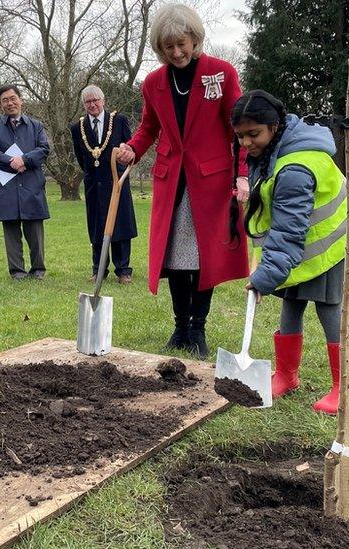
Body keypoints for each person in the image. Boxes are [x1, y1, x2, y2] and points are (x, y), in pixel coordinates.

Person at [114, 3, 249, 359]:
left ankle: (199, 329)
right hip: (171, 182)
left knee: (204, 256)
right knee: (175, 257)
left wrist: (243, 175)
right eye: (168, 47)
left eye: (182, 44)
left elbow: (240, 131)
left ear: (195, 39)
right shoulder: (154, 82)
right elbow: (149, 128)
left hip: (211, 183)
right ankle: (180, 328)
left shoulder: (221, 73)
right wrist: (132, 148)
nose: (176, 52)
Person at [233, 90, 349, 415]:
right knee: (292, 303)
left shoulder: (296, 167)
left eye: (254, 134)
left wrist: (265, 277)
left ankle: (343, 387)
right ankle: (286, 375)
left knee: (329, 310)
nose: (247, 143)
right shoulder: (271, 152)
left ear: (275, 126)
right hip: (299, 249)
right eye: (240, 136)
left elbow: (289, 230)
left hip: (333, 245)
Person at [70, 85, 137, 284]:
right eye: (88, 102)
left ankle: (123, 270)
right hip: (94, 185)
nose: (92, 105)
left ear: (103, 100)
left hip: (117, 182)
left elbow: (132, 149)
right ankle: (98, 269)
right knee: (97, 226)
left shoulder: (119, 121)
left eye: (95, 100)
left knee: (121, 226)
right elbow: (81, 157)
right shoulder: (77, 128)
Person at [0, 84, 51, 280]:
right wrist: (12, 162)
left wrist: (25, 159)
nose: (10, 103)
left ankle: (38, 270)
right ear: (0, 105)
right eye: (5, 100)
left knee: (35, 232)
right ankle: (17, 271)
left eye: (13, 98)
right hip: (7, 187)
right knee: (11, 232)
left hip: (32, 185)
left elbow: (44, 149)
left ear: (21, 100)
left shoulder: (36, 126)